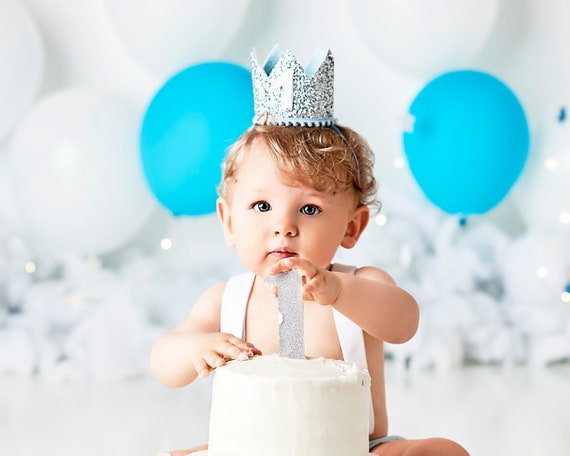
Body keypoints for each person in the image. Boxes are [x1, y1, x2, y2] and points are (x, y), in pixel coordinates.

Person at [150, 46, 469, 456]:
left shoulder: (360, 285)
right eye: (261, 206)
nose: (284, 225)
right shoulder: (225, 301)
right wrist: (197, 348)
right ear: (229, 222)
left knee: (439, 452)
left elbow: (404, 322)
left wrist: (338, 292)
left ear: (351, 227)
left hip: (354, 449)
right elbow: (163, 361)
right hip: (250, 450)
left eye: (310, 208)